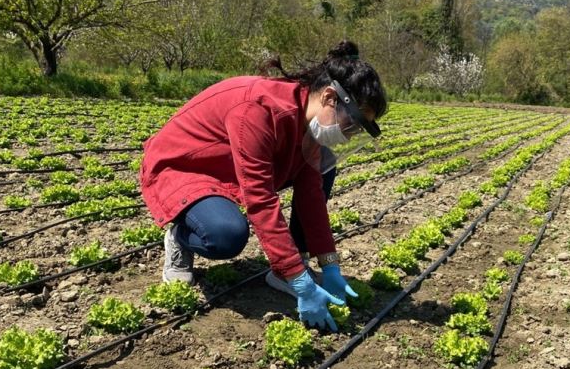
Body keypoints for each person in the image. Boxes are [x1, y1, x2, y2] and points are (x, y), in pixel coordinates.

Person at [139, 40, 387, 331]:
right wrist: (301, 283)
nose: (347, 136)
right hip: (187, 166)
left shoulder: (307, 120)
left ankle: (289, 268)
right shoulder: (258, 108)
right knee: (225, 236)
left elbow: (311, 196)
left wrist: (330, 264)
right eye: (351, 124)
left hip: (231, 165)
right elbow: (260, 199)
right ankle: (181, 236)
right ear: (330, 98)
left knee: (321, 172)